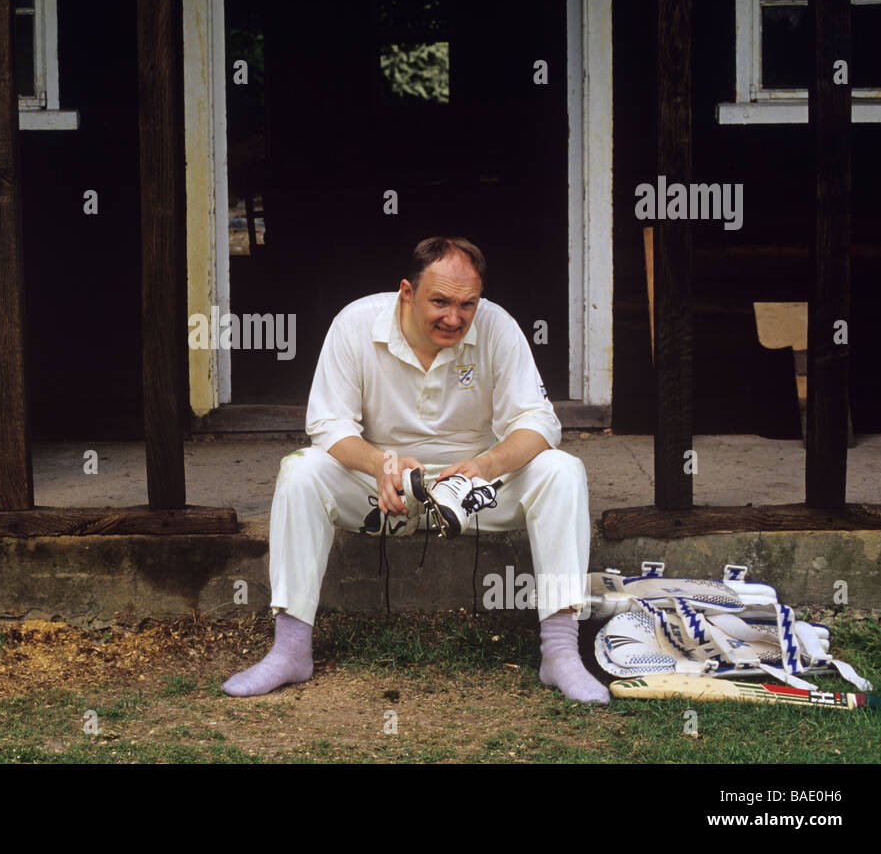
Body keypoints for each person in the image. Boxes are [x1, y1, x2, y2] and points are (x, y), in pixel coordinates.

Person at [222, 236, 609, 704]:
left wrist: (484, 465)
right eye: (440, 301)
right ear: (407, 291)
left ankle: (561, 653)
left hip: (473, 491)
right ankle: (290, 650)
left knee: (562, 471)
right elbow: (327, 424)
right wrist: (379, 462)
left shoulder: (497, 327)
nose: (454, 318)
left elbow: (540, 422)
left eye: (467, 304)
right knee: (300, 472)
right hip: (384, 487)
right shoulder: (356, 322)